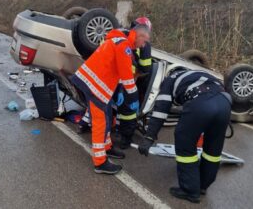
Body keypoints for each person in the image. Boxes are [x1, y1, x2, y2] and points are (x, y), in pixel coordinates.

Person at [138, 67, 232, 203]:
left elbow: (160, 111)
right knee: (213, 150)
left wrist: (149, 137)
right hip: (225, 104)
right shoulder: (200, 73)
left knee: (185, 144)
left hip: (201, 102)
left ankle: (190, 190)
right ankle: (202, 186)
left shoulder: (170, 80)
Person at [71, 24, 149, 175]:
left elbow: (117, 70)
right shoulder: (124, 46)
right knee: (100, 122)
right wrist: (133, 98)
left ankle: (107, 147)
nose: (144, 45)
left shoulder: (118, 40)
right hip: (95, 87)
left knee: (107, 117)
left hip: (93, 83)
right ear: (139, 36)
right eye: (144, 41)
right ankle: (100, 162)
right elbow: (127, 77)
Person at [116, 17, 153, 149]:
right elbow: (146, 67)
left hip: (112, 77)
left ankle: (111, 130)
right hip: (128, 79)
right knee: (128, 111)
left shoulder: (120, 34)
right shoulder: (144, 42)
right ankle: (125, 139)